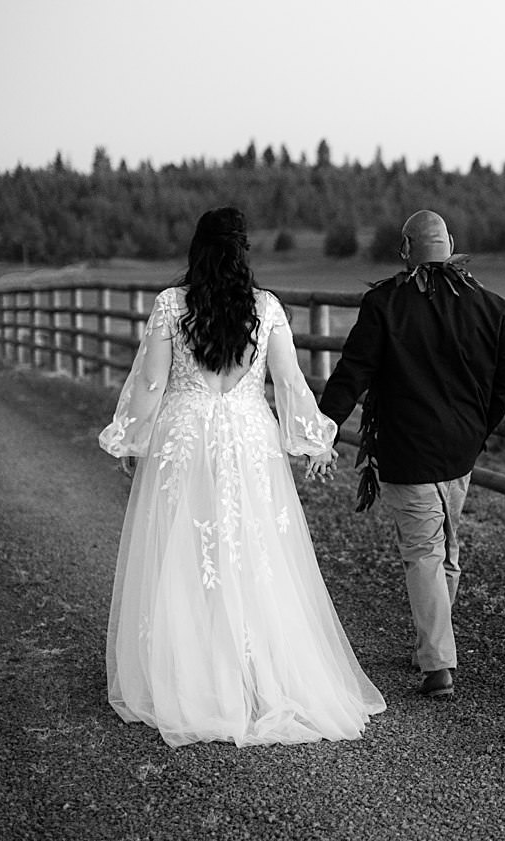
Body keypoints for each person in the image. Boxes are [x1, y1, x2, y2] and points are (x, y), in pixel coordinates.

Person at [98, 207, 385, 747]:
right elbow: (289, 382)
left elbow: (152, 385)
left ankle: (195, 675)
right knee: (255, 549)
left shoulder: (169, 306)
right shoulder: (267, 308)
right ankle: (258, 677)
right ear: (243, 252)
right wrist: (312, 440)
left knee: (187, 549)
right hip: (250, 438)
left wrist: (130, 437)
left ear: (197, 250)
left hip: (184, 436)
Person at [316, 209, 505, 699]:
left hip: (407, 450)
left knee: (425, 553)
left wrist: (321, 428)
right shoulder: (492, 306)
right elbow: (504, 385)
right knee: (447, 549)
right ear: (450, 245)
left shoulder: (385, 304)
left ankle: (437, 664)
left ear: (405, 251)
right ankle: (435, 648)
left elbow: (353, 373)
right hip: (461, 451)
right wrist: (476, 431)